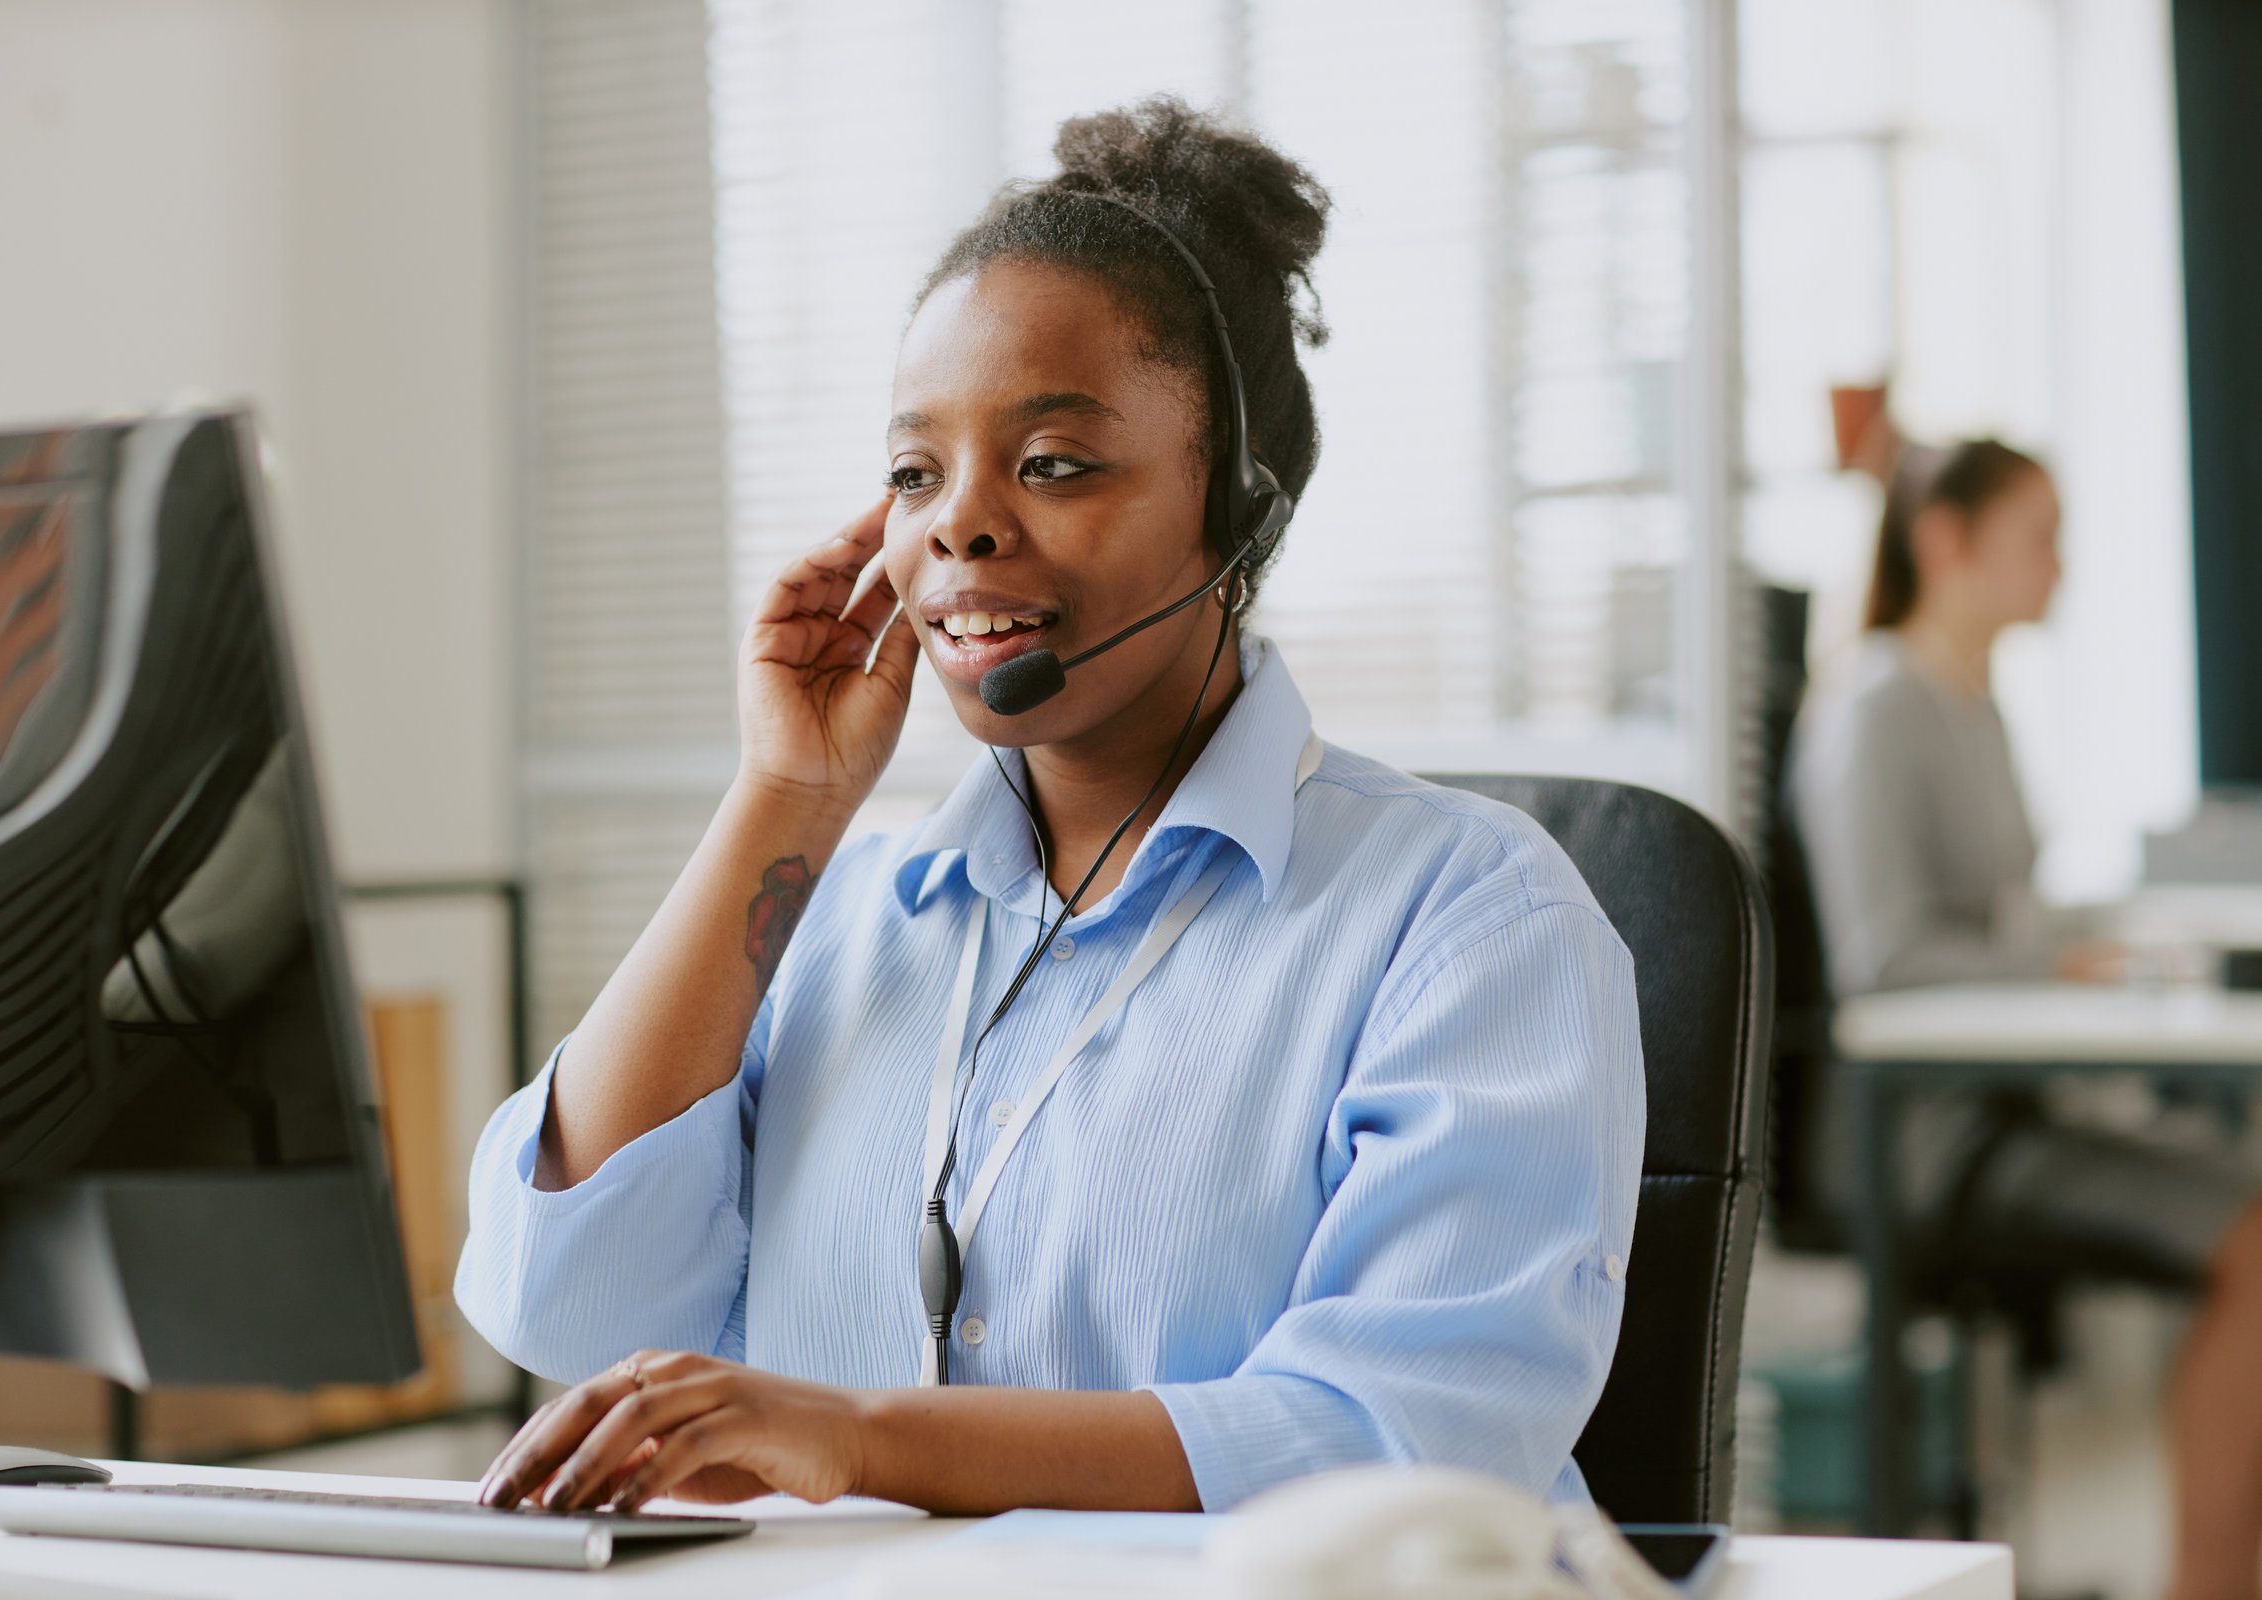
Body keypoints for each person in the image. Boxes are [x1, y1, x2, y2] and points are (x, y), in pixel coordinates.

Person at [454, 99, 1643, 1518]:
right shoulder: (835, 923)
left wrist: (864, 1440)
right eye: (914, 472)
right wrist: (788, 793)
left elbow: (1408, 1437)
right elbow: (557, 1297)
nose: (958, 522)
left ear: (1241, 513)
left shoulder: (1466, 918)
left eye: (1054, 463)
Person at [1790, 439, 2262, 1600]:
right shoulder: (1876, 704)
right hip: (1923, 1137)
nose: (2061, 565)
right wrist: (2064, 963)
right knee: (2255, 1239)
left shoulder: (1972, 703)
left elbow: (2004, 915)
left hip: (2004, 1107)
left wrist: (2087, 944)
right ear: (1946, 541)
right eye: (2038, 535)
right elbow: (1889, 958)